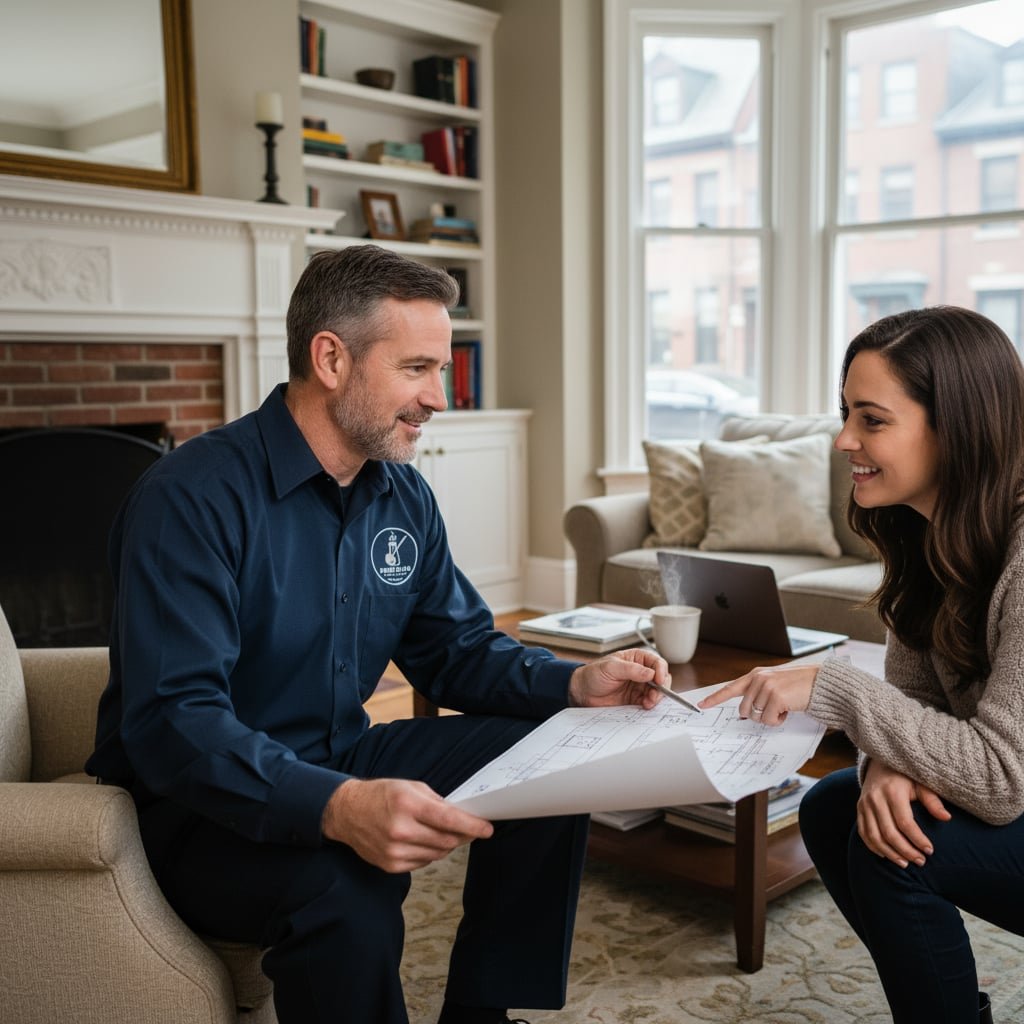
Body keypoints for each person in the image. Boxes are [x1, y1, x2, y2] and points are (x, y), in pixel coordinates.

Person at [86, 244, 672, 1024]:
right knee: (345, 886)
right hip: (190, 812)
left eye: (442, 370)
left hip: (340, 751)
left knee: (552, 760)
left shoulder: (403, 496)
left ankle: (485, 1010)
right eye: (418, 368)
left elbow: (456, 649)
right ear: (331, 358)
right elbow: (174, 725)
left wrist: (570, 683)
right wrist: (336, 807)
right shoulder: (189, 500)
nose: (439, 397)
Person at [700, 305, 1024, 1024]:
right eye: (845, 413)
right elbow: (914, 703)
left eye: (872, 420)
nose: (843, 439)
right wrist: (885, 764)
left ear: (958, 427)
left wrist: (831, 687)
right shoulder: (923, 533)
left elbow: (1002, 779)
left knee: (891, 852)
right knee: (833, 805)